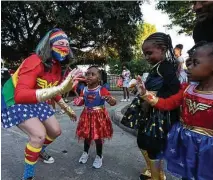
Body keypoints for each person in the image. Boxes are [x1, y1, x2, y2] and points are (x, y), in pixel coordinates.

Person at [1, 28, 83, 180]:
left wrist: (66, 108)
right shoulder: (34, 62)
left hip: (35, 98)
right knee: (38, 135)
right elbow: (20, 95)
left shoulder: (57, 66)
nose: (64, 46)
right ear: (49, 45)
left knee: (55, 131)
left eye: (67, 44)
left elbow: (52, 90)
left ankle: (38, 152)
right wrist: (60, 88)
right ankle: (28, 176)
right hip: (15, 98)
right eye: (60, 43)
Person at [137, 42, 213, 180]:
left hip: (208, 149)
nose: (188, 67)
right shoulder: (187, 89)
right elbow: (166, 104)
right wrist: (145, 94)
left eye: (195, 63)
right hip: (186, 144)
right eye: (188, 63)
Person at [121, 32, 180, 180]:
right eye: (144, 54)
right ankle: (153, 171)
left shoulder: (165, 67)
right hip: (149, 112)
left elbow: (174, 89)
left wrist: (152, 96)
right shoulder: (158, 66)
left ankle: (157, 175)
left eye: (149, 53)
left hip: (158, 114)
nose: (146, 57)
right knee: (143, 141)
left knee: (151, 143)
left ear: (162, 49)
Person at [75, 66, 116, 169]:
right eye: (87, 74)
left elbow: (113, 102)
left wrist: (110, 100)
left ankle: (99, 156)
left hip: (99, 117)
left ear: (99, 78)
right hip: (86, 116)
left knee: (98, 137)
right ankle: (85, 152)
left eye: (93, 74)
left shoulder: (102, 90)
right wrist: (78, 100)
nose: (89, 76)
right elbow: (81, 102)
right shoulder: (83, 89)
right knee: (87, 136)